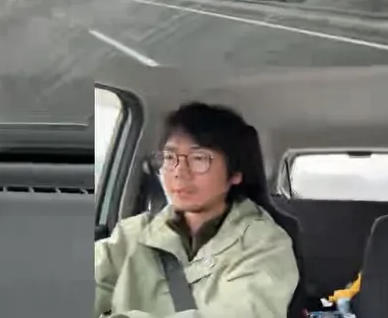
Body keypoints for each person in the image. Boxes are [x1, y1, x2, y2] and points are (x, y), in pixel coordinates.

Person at [95, 102, 300, 318]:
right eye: (170, 157)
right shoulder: (131, 234)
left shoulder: (265, 244)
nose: (179, 172)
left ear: (235, 174)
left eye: (199, 158)